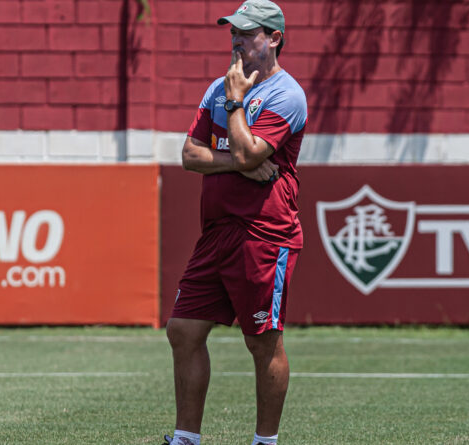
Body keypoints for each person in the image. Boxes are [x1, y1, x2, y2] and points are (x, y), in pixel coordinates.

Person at [162, 1, 307, 444]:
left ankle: (265, 442)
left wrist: (236, 103)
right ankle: (186, 438)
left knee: (262, 341)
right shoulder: (218, 88)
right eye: (233, 34)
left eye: (247, 34)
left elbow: (246, 151)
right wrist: (238, 164)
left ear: (275, 38)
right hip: (218, 232)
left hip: (264, 234)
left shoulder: (286, 94)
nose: (237, 41)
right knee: (183, 330)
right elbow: (190, 155)